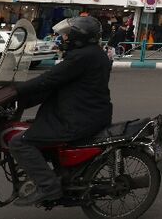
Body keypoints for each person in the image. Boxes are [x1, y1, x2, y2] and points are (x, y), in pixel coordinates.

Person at [9, 16, 113, 206]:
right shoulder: (91, 53)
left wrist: (15, 90)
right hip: (84, 113)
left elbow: (50, 79)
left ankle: (49, 187)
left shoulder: (82, 57)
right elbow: (56, 83)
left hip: (79, 118)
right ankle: (57, 175)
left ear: (79, 37)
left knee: (19, 143)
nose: (63, 39)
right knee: (34, 128)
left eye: (67, 35)